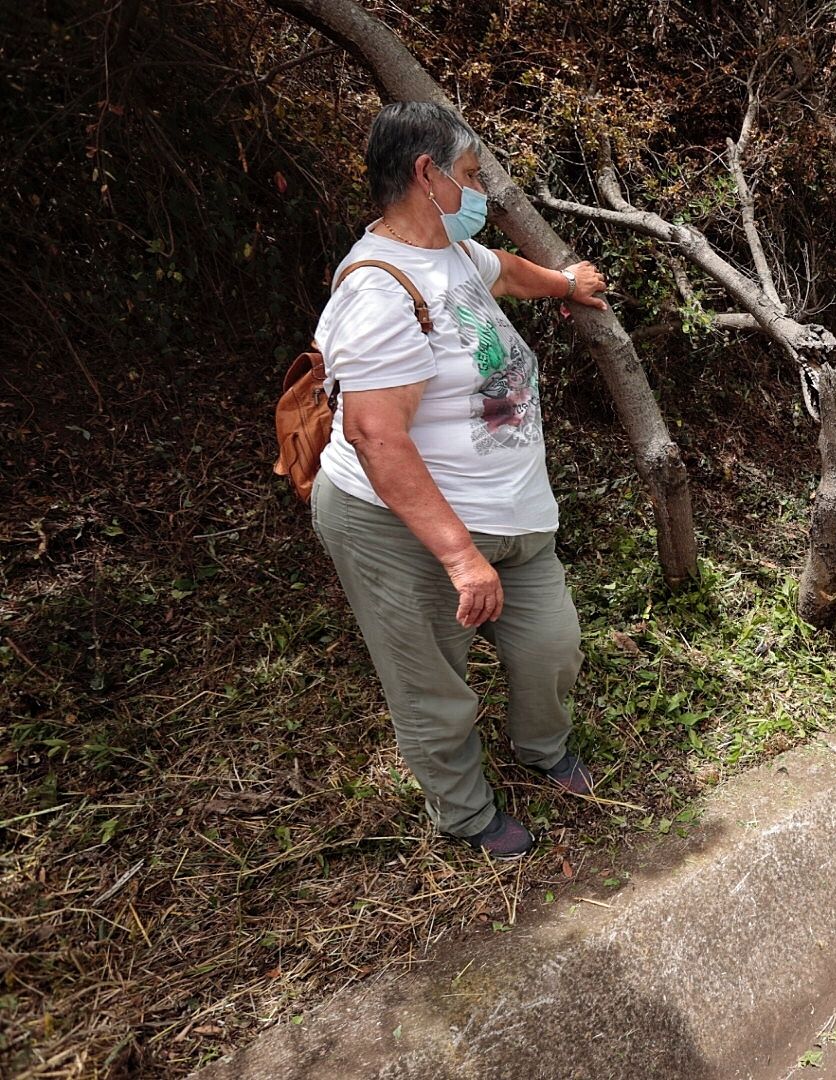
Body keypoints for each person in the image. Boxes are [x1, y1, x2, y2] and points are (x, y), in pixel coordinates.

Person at [309, 101, 608, 860]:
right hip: (401, 525)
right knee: (432, 685)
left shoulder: (449, 248)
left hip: (510, 511)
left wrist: (565, 283)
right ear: (426, 175)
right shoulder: (376, 293)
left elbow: (502, 270)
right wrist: (459, 557)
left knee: (552, 646)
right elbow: (376, 435)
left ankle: (543, 748)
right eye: (470, 175)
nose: (480, 193)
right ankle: (466, 812)